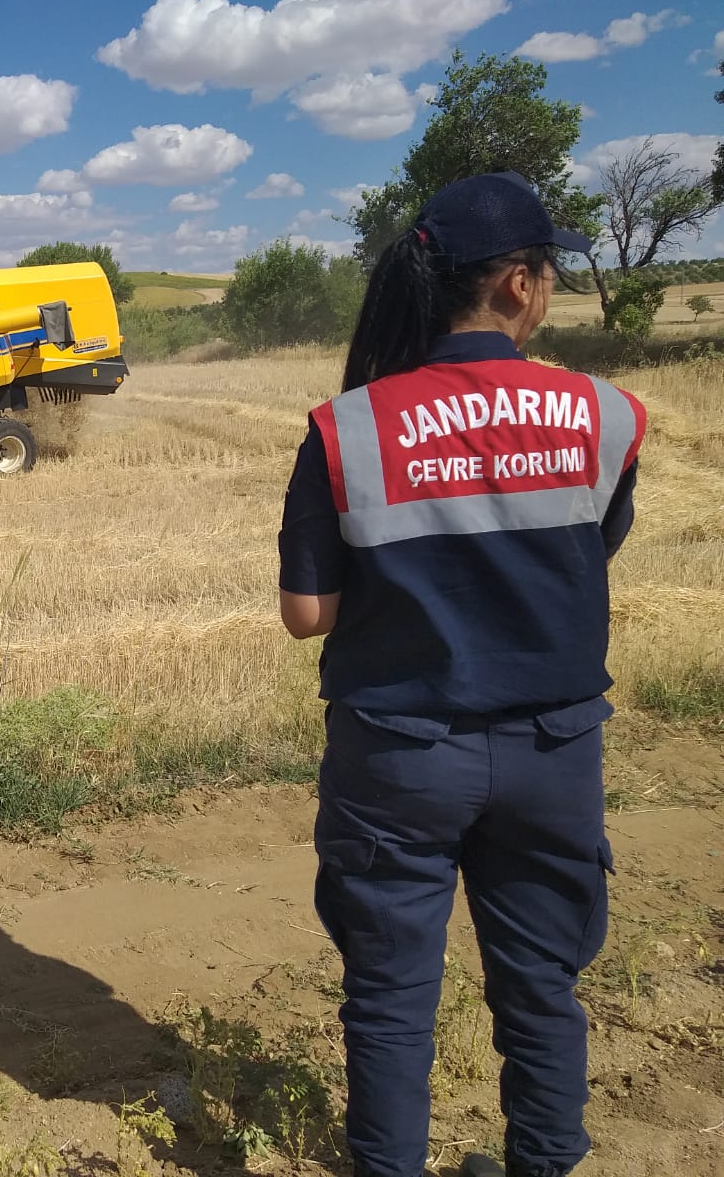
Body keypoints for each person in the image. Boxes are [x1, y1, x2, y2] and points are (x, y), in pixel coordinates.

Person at [277, 172, 645, 1177]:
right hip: (555, 753)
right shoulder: (610, 416)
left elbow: (308, 616)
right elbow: (581, 557)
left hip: (398, 760)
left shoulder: (347, 427)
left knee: (392, 1000)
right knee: (540, 983)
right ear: (520, 285)